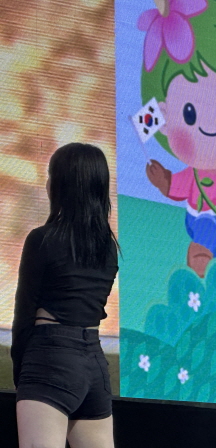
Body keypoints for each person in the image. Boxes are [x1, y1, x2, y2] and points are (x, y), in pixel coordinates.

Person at [12, 143, 120, 448]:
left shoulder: (42, 239)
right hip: (94, 364)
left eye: (51, 175)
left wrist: (24, 374)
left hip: (50, 360)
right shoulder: (107, 247)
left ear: (61, 185)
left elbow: (24, 315)